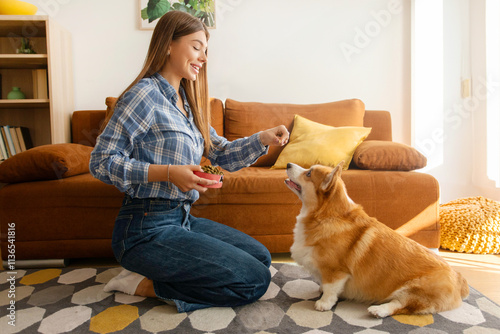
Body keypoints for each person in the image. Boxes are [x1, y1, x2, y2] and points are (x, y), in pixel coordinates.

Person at [89, 10, 289, 313]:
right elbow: (101, 161)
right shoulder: (144, 95)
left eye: (206, 50)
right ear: (169, 44)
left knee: (260, 258)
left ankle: (162, 269)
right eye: (197, 46)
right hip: (143, 228)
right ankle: (142, 283)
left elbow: (220, 153)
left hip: (181, 219)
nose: (204, 57)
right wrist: (169, 173)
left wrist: (263, 138)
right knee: (254, 281)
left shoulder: (188, 101)